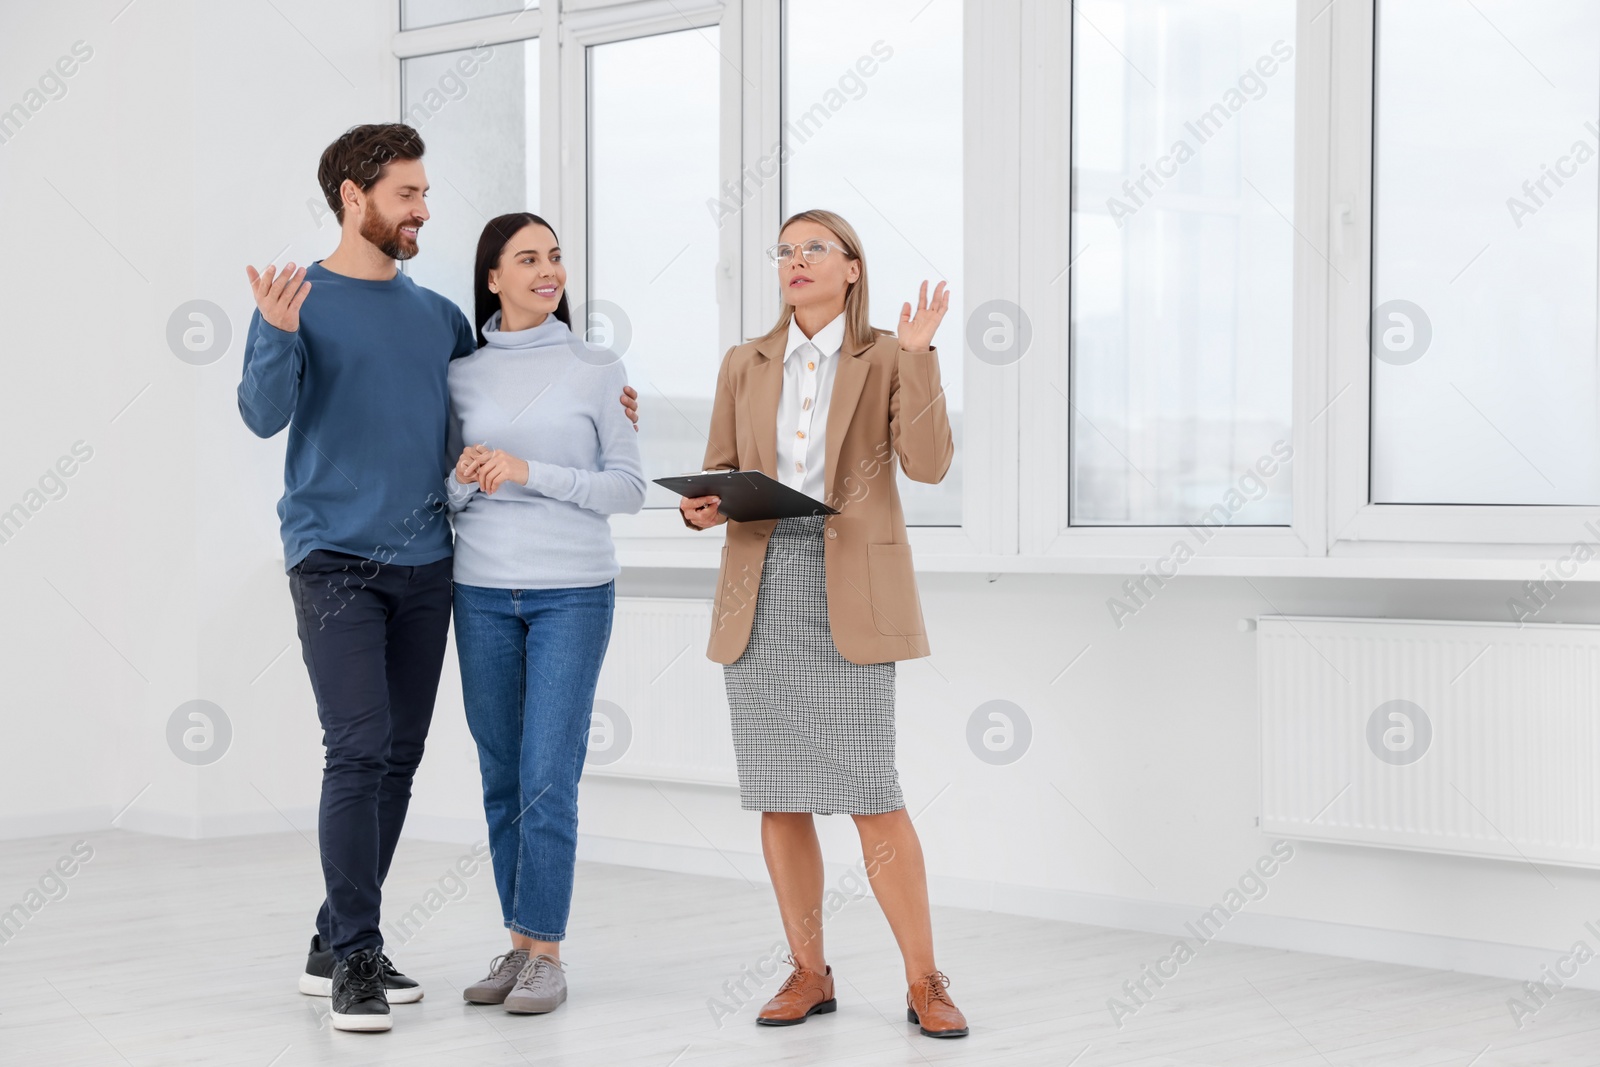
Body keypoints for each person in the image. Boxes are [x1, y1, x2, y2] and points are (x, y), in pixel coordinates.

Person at [237, 125, 637, 1033]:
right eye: (407, 195)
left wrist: (603, 412)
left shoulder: (437, 319)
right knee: (359, 746)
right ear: (353, 195)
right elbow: (262, 416)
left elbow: (489, 406)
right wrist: (274, 333)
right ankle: (357, 959)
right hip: (333, 560)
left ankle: (330, 937)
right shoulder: (301, 296)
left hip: (430, 568)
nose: (423, 211)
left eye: (424, 194)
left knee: (402, 758)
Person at [678, 208, 967, 1038]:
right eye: (785, 251)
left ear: (850, 267)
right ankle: (808, 971)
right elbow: (721, 471)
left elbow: (929, 464)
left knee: (872, 794)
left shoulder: (885, 356)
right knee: (781, 795)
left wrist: (916, 356)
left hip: (850, 588)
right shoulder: (746, 361)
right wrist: (701, 508)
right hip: (761, 584)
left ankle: (925, 979)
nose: (795, 261)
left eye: (814, 248)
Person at [447, 213, 645, 1016]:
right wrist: (467, 477)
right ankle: (519, 942)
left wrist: (532, 471)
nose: (547, 270)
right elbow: (447, 494)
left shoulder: (598, 367)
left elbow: (627, 489)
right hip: (482, 590)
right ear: (492, 277)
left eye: (555, 256)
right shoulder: (460, 372)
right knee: (501, 776)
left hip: (572, 590)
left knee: (545, 775)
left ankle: (549, 952)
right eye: (527, 258)